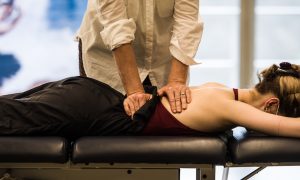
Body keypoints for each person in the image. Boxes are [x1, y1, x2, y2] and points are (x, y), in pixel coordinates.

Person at [0, 62, 299, 139]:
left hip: (88, 96)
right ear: (271, 105)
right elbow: (290, 129)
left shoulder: (220, 89)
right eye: (277, 114)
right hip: (86, 110)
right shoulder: (229, 107)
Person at [76, 0, 204, 116]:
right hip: (108, 57)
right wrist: (134, 92)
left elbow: (186, 20)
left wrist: (176, 81)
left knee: (166, 118)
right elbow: (116, 25)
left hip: (162, 57)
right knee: (102, 121)